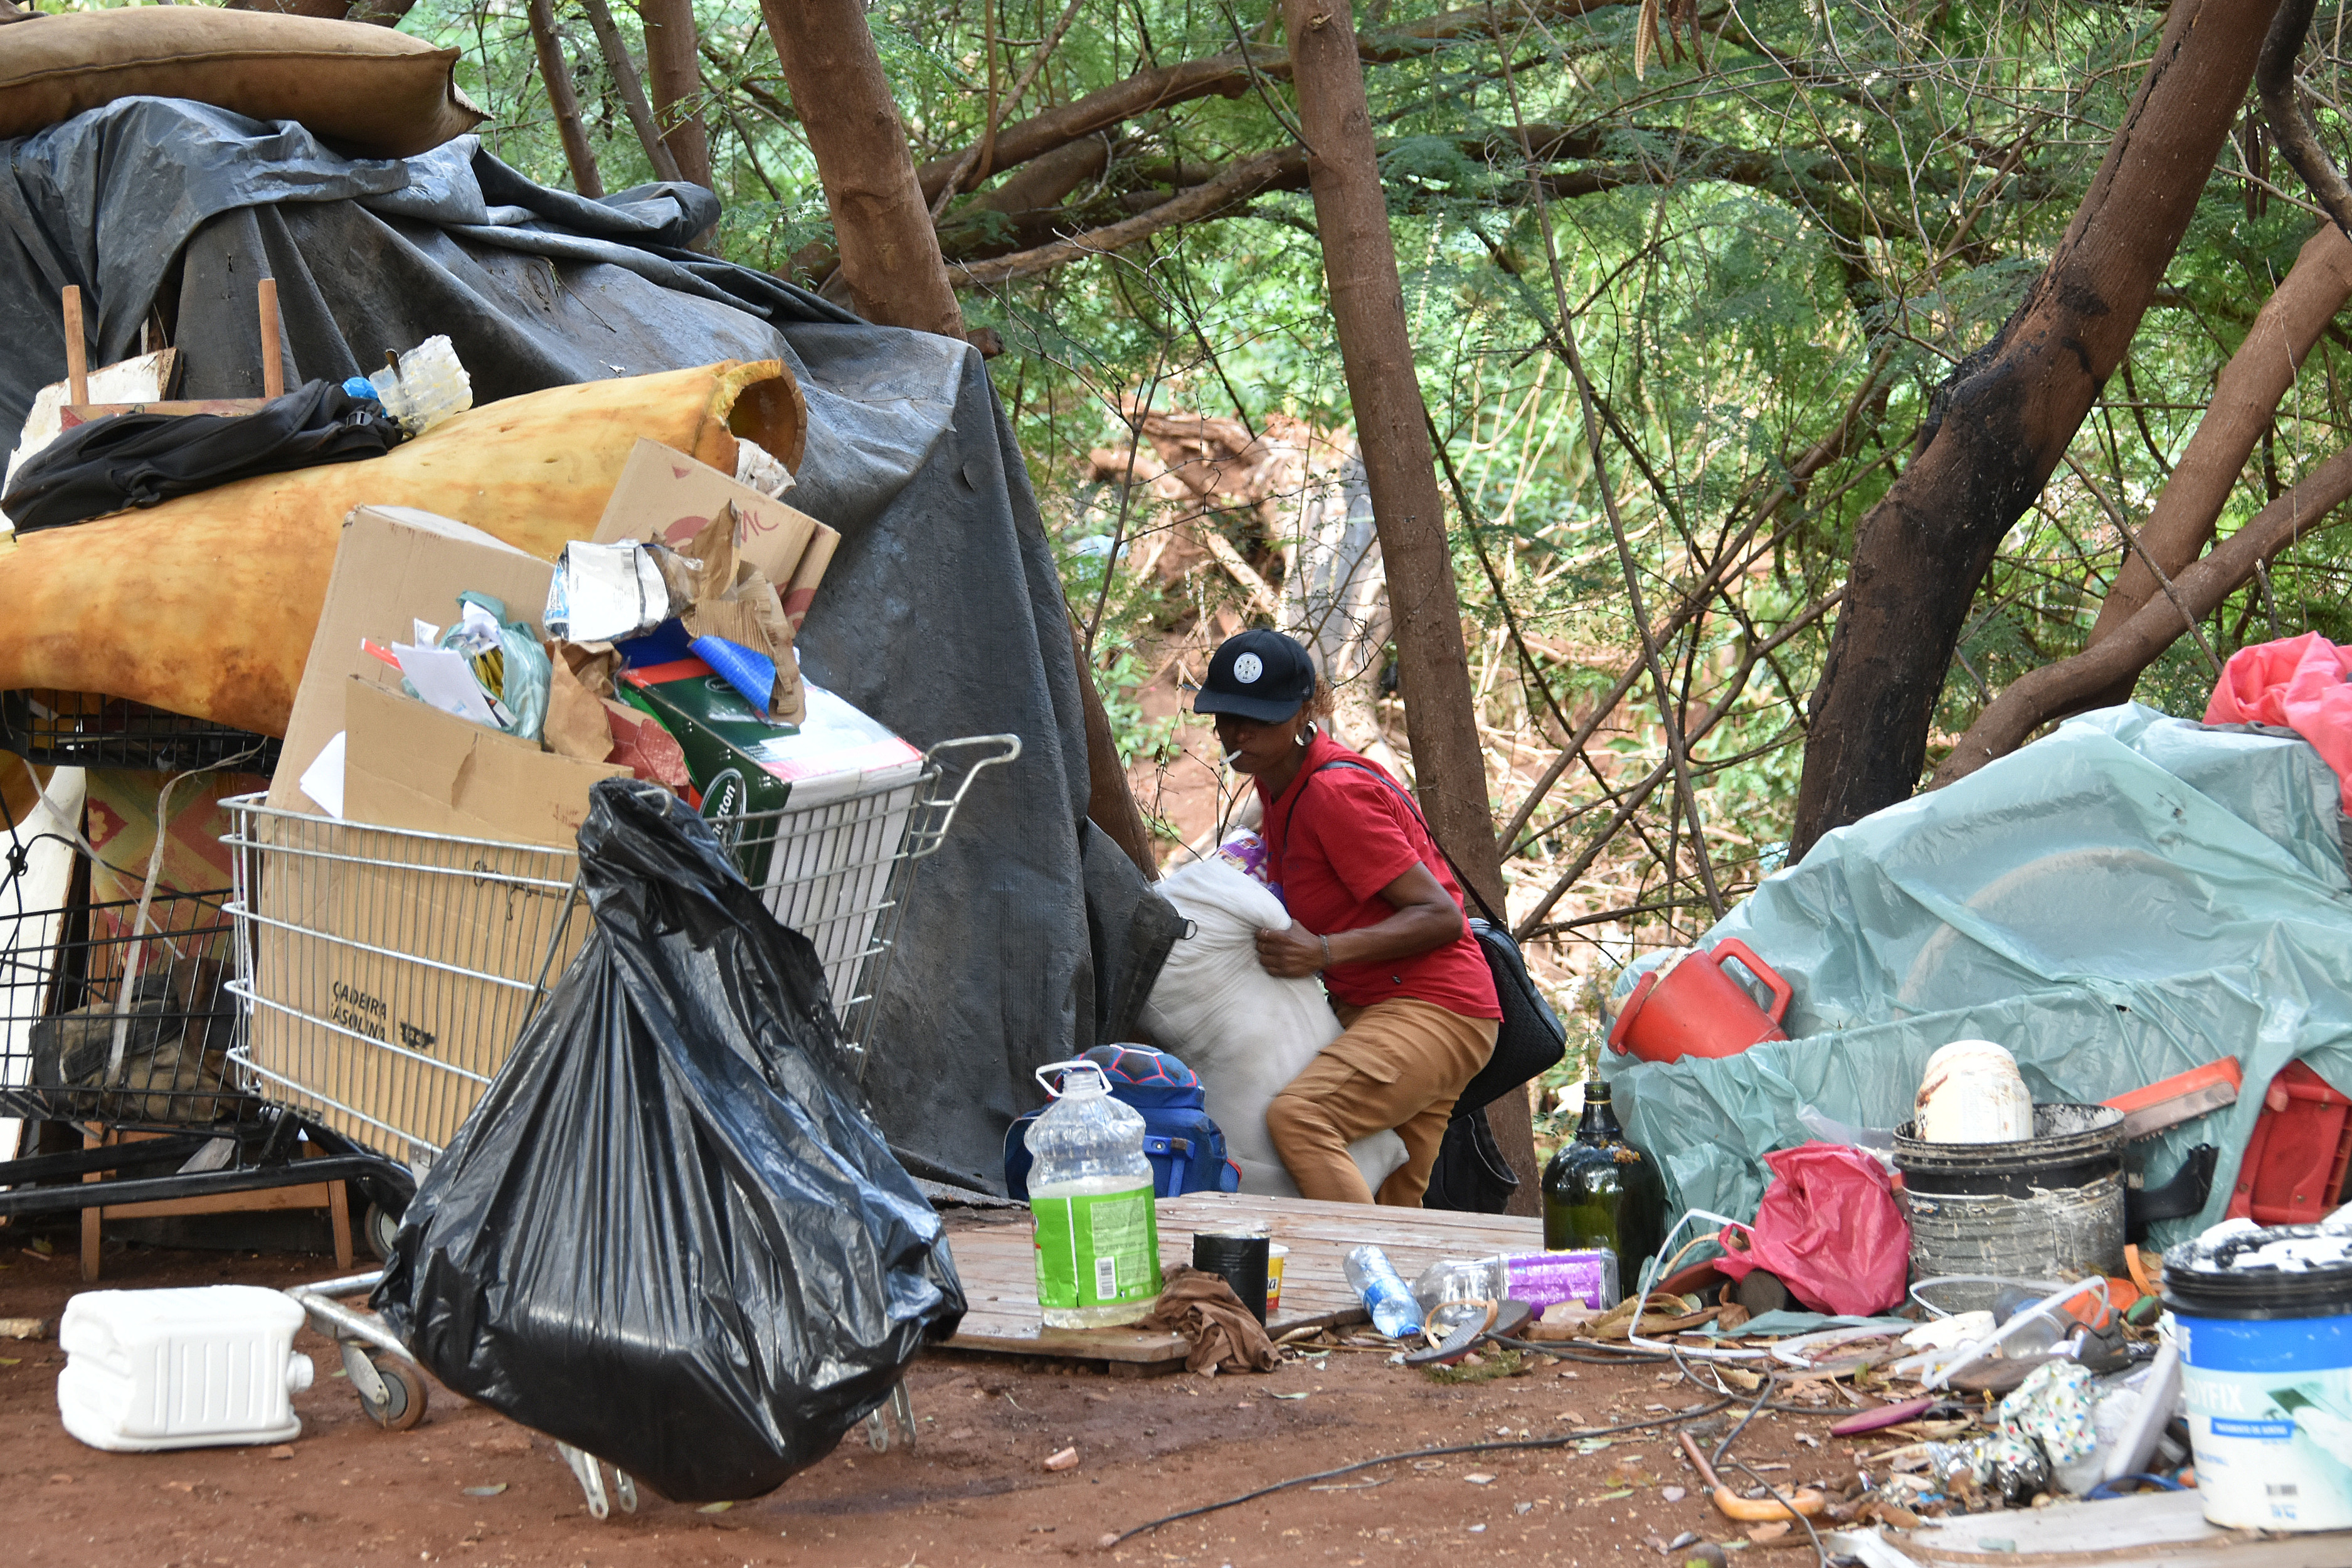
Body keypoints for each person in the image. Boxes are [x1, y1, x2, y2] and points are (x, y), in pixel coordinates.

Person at [1193, 628, 1500, 1205]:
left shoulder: (1332, 795)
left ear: (1306, 711)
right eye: (1227, 715)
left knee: (1301, 1118)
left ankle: (1360, 1259)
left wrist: (1324, 952)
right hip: (1378, 1007)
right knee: (1391, 1198)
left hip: (1434, 1007)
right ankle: (1388, 1265)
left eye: (1260, 718)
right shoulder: (1278, 786)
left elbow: (1442, 916)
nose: (1238, 732)